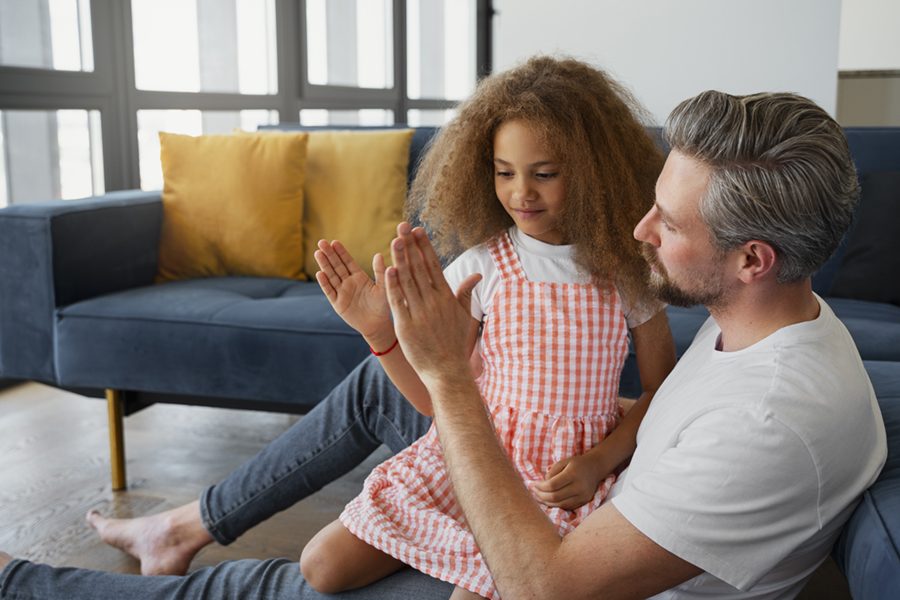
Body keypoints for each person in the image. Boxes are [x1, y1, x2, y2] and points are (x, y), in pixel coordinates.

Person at [0, 85, 888, 600]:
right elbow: (672, 418)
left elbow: (548, 583)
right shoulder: (768, 323)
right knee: (382, 380)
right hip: (567, 487)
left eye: (670, 220)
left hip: (552, 559)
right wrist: (412, 352)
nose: (642, 228)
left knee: (290, 585)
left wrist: (452, 380)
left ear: (753, 257)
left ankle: (24, 587)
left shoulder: (770, 422)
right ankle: (188, 523)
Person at [299, 57, 675, 600]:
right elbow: (435, 402)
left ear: (595, 170)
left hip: (557, 487)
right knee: (321, 565)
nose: (521, 192)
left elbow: (660, 392)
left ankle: (469, 572)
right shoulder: (484, 267)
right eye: (504, 172)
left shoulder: (629, 273)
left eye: (544, 173)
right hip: (471, 462)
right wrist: (378, 333)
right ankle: (465, 564)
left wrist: (599, 462)